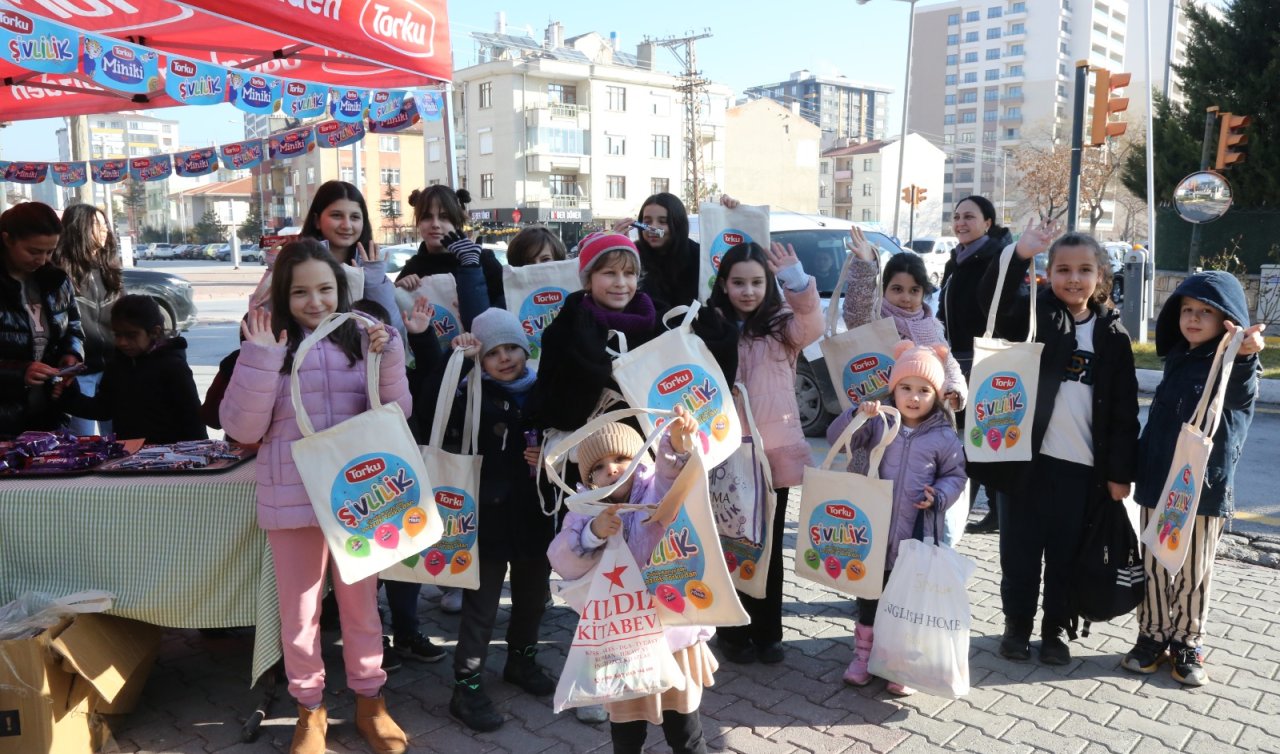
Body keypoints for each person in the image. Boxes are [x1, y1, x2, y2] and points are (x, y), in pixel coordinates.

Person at [220, 239, 411, 754]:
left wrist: (389, 355)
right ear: (284, 294)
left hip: (358, 500)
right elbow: (241, 428)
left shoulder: (360, 337)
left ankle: (371, 701)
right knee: (300, 614)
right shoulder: (266, 344)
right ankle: (310, 709)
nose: (315, 301)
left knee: (362, 608)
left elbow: (398, 412)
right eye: (301, 291)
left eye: (325, 288)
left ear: (341, 289)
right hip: (292, 500)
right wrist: (261, 358)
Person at [979, 226, 1140, 666]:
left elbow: (1125, 413)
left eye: (1084, 270)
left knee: (1066, 558)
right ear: (1047, 274)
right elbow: (988, 303)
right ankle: (1017, 627)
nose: (1073, 278)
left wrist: (1119, 474)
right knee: (1020, 556)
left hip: (1083, 471)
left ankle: (1055, 631)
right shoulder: (1033, 315)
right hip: (1024, 464)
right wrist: (1017, 257)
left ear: (1101, 275)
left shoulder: (1113, 335)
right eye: (1063, 269)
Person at [1122, 271, 1266, 687]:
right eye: (1187, 309)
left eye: (1206, 312)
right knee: (1152, 562)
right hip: (1157, 484)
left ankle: (1186, 640)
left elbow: (1240, 395)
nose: (1193, 318)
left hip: (1201, 490)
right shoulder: (1179, 357)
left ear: (1227, 319)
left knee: (1192, 570)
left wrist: (1244, 354)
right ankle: (1152, 634)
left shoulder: (1231, 363)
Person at [547, 409, 716, 754]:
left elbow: (673, 479)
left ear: (640, 458)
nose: (611, 468)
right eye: (598, 466)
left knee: (685, 732)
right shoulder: (583, 511)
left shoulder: (654, 490)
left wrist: (677, 446)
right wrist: (592, 535)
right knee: (626, 736)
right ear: (589, 478)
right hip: (622, 642)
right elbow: (561, 558)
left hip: (673, 631)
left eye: (622, 457)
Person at [424, 309, 557, 732]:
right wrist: (455, 362)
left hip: (535, 513)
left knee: (533, 596)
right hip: (486, 517)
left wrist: (550, 455)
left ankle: (521, 659)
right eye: (493, 353)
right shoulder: (467, 394)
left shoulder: (542, 391)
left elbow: (567, 435)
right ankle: (467, 686)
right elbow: (430, 411)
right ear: (480, 360)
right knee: (480, 606)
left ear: (525, 349)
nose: (505, 359)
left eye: (512, 349)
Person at [704, 240, 823, 665]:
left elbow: (813, 325)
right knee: (731, 543)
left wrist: (795, 279)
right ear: (724, 284)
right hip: (724, 453)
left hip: (773, 454)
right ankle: (732, 633)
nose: (748, 291)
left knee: (767, 549)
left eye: (756, 282)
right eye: (738, 283)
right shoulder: (708, 324)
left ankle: (768, 634)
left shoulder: (782, 324)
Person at [826, 342, 967, 695]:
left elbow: (956, 475)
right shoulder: (879, 422)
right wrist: (858, 415)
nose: (914, 397)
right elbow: (836, 438)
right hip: (873, 531)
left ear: (936, 396)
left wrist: (940, 495)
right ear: (893, 389)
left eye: (924, 390)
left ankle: (899, 664)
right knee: (869, 598)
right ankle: (864, 656)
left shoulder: (943, 436)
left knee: (904, 602)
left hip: (914, 535)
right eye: (906, 388)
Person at [529, 232, 738, 437]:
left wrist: (718, 341)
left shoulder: (664, 321)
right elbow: (557, 414)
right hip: (600, 462)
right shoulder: (565, 331)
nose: (620, 282)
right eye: (609, 273)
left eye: (629, 273)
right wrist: (587, 364)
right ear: (588, 280)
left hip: (662, 458)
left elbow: (708, 392)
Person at [349, 296, 449, 673]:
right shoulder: (340, 377)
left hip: (400, 483)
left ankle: (408, 631)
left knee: (405, 561)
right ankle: (373, 637)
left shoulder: (396, 370)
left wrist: (421, 338)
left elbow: (431, 377)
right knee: (365, 570)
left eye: (378, 330)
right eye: (359, 331)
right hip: (357, 489)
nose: (370, 338)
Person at [937, 195, 1012, 534]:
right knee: (969, 438)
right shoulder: (959, 260)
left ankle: (992, 511)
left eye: (969, 217)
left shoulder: (996, 259)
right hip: (959, 358)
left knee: (981, 438)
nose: (961, 223)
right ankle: (969, 507)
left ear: (988, 223)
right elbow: (947, 308)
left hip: (986, 359)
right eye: (956, 217)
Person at [57, 294, 206, 444]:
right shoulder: (117, 364)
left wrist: (201, 454)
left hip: (170, 460)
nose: (122, 342)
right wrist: (68, 394)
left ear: (154, 332)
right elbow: (103, 409)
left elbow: (193, 418)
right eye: (117, 335)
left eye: (131, 335)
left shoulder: (173, 367)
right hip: (128, 457)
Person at [0, 201, 82, 437]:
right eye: (34, 251)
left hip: (48, 415)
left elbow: (74, 328)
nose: (43, 260)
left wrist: (72, 355)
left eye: (50, 251)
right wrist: (19, 373)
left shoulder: (56, 281)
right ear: (7, 239)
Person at [298, 180, 405, 340]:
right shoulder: (296, 265)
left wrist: (375, 284)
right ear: (317, 221)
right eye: (336, 215)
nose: (347, 225)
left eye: (355, 217)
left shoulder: (373, 270)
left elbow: (395, 333)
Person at [54, 203, 122, 436]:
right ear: (78, 229)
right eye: (96, 225)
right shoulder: (59, 274)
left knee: (117, 439)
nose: (104, 231)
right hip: (77, 373)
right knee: (80, 442)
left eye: (105, 225)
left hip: (112, 370)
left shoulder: (110, 271)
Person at [611, 192, 739, 315]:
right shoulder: (634, 256)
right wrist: (617, 249)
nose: (653, 228)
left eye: (663, 221)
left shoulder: (700, 256)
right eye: (647, 221)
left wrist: (729, 213)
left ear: (678, 224)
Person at [395, 185, 504, 317]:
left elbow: (505, 309)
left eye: (444, 217)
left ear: (458, 222)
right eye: (427, 217)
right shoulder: (413, 267)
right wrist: (398, 290)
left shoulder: (482, 260)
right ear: (418, 223)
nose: (435, 224)